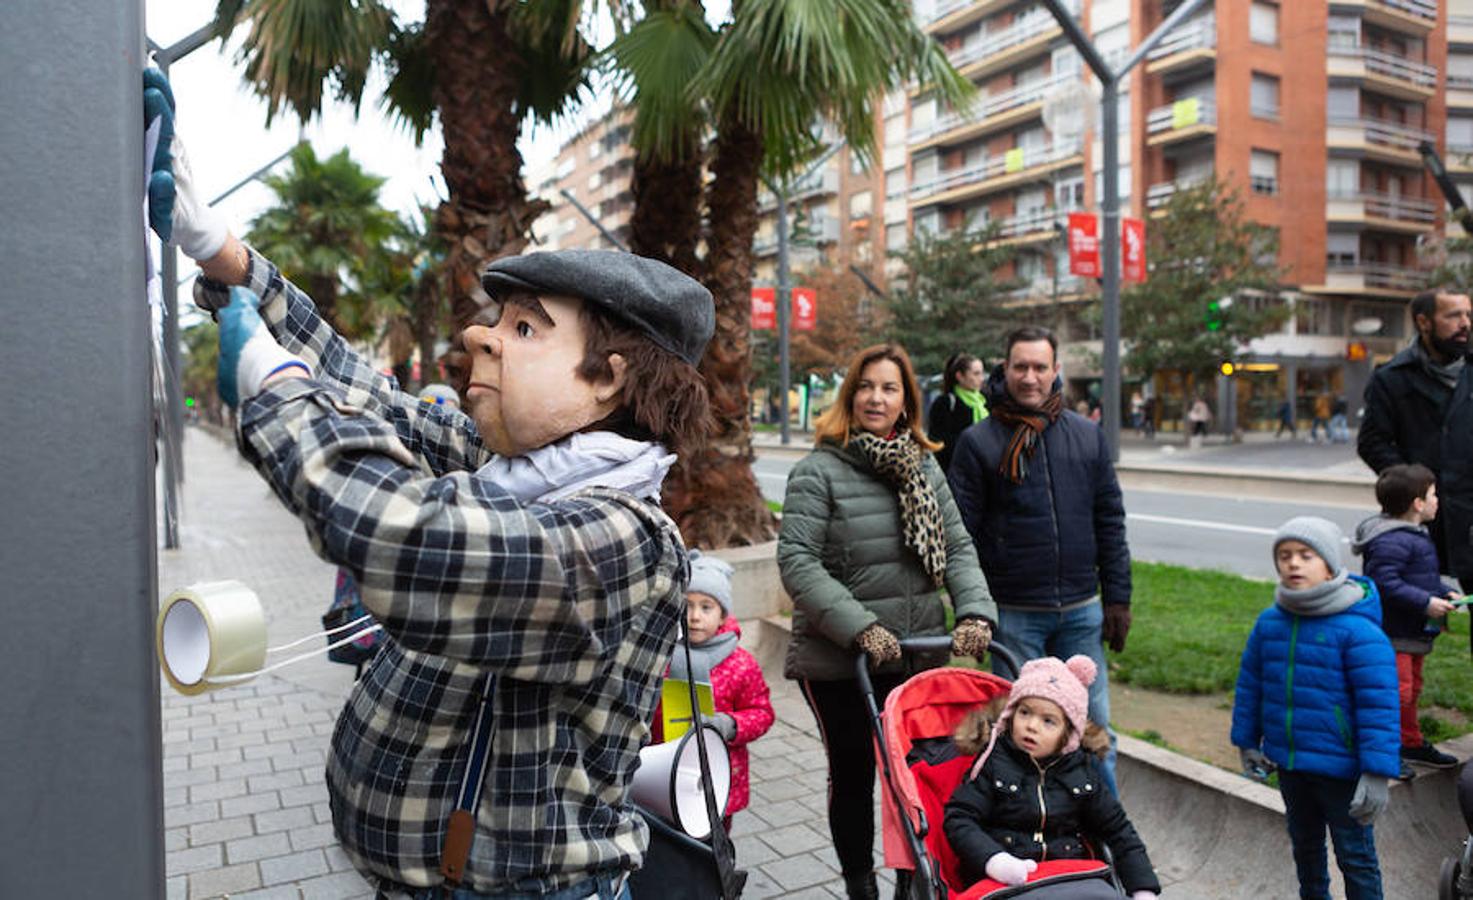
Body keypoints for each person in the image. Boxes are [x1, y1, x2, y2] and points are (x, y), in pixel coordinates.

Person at [146, 73, 714, 897]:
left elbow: (407, 540)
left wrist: (274, 393)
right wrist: (221, 253)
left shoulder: (625, 541)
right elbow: (359, 387)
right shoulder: (507, 470)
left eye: (525, 328)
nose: (481, 335)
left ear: (607, 381)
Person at [778, 342, 999, 900]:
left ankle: (911, 880)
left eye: (890, 388)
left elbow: (957, 547)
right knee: (854, 775)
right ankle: (861, 888)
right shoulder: (818, 471)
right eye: (867, 386)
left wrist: (973, 609)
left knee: (913, 776)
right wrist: (861, 627)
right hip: (841, 658)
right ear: (851, 395)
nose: (877, 397)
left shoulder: (924, 466)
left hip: (917, 649)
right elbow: (798, 563)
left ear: (907, 403)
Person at [948, 325, 1132, 795]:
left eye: (1040, 367)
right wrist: (973, 609)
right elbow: (961, 537)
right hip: (1013, 615)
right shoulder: (978, 442)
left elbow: (1109, 522)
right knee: (1019, 739)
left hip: (1080, 612)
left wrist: (1118, 599)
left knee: (1093, 734)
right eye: (1020, 367)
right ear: (1004, 369)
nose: (1030, 377)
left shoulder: (1087, 437)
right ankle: (1031, 833)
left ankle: (1105, 842)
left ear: (1056, 372)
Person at [1232, 517, 1400, 900]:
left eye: (1306, 555)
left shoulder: (1358, 631)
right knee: (1305, 851)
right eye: (1285, 555)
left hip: (1341, 770)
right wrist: (1247, 741)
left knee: (1355, 857)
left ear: (1329, 564)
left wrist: (1376, 772)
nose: (1293, 563)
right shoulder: (1271, 622)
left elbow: (1379, 706)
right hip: (1290, 765)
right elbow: (1251, 683)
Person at [944, 656, 1160, 900]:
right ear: (1011, 714)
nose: (1031, 726)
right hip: (1008, 877)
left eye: (1048, 721)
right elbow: (960, 819)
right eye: (1024, 713)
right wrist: (995, 860)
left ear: (1068, 734)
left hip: (1068, 876)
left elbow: (1118, 830)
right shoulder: (993, 762)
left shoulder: (1082, 771)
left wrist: (1143, 889)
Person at [649, 550, 775, 831]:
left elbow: (762, 713)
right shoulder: (660, 656)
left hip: (716, 774)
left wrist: (728, 724)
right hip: (663, 770)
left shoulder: (740, 663)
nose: (694, 617)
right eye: (688, 605)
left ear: (722, 616)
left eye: (706, 607)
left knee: (711, 849)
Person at [1359, 287, 1473, 594]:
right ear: (1424, 322)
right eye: (1453, 315)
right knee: (1415, 611)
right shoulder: (1391, 377)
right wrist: (1413, 486)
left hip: (1469, 510)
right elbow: (1372, 442)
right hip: (1420, 516)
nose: (1465, 323)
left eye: (1468, 314)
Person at [1352, 464, 1462, 777]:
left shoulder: (1413, 535)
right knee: (1395, 693)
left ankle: (1409, 742)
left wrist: (1444, 592)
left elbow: (1419, 578)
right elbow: (1384, 582)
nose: (1437, 500)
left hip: (1411, 631)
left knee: (1411, 690)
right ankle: (1381, 751)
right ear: (1417, 504)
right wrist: (1426, 602)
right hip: (1392, 633)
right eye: (1432, 494)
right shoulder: (1391, 541)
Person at [926, 352, 988, 474]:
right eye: (976, 374)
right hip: (954, 472)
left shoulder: (984, 401)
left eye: (982, 373)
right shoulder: (946, 403)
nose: (981, 378)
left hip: (981, 471)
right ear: (960, 376)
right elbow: (937, 442)